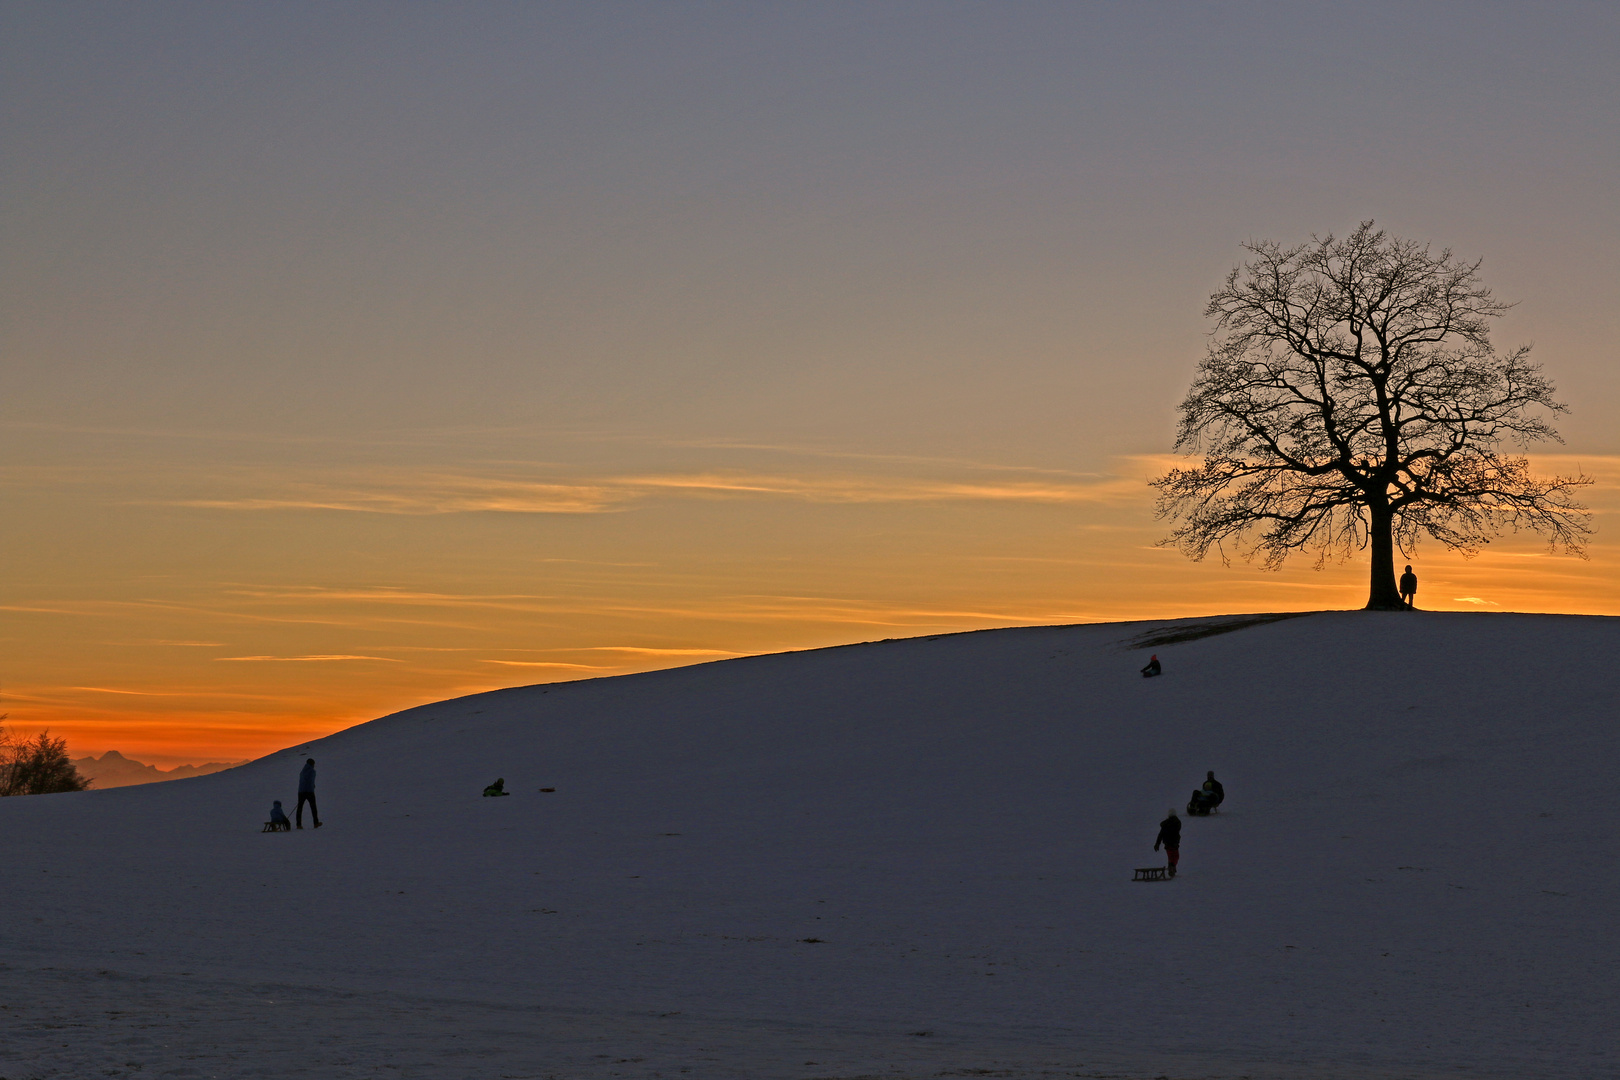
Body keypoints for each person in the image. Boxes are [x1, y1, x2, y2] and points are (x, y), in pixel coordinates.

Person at [1154, 808, 1181, 877]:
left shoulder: (1165, 824)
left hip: (1168, 844)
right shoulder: (1177, 822)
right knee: (1175, 856)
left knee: (1171, 856)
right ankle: (1171, 867)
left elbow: (1160, 835)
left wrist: (1157, 844)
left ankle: (1171, 867)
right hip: (1174, 844)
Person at [296, 757, 321, 829]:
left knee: (300, 808)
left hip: (301, 791)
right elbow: (310, 780)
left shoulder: (302, 771)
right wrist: (312, 785)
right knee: (313, 807)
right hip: (309, 791)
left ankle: (298, 824)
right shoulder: (312, 771)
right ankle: (316, 823)